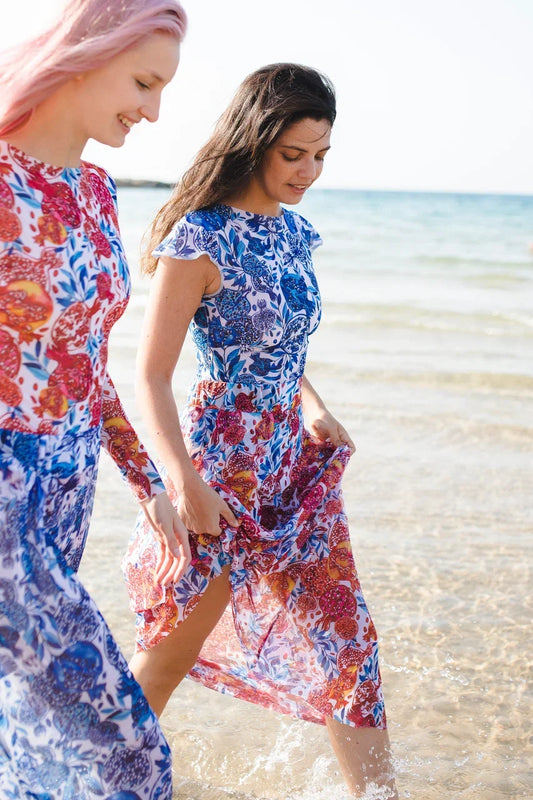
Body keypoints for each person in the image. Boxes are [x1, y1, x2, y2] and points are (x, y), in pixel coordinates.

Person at [123, 63, 399, 798]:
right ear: (255, 142)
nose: (308, 172)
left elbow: (283, 345)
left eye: (321, 156)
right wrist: (184, 483)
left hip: (294, 472)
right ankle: (90, 781)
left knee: (350, 647)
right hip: (222, 474)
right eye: (293, 154)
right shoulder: (199, 239)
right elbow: (151, 375)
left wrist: (311, 402)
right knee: (169, 655)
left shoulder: (297, 233)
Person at [0, 1, 190, 797]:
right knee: (127, 753)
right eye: (144, 83)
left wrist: (150, 483)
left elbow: (84, 364)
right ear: (86, 54)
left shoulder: (97, 191)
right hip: (6, 489)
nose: (154, 111)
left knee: (30, 743)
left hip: (70, 486)